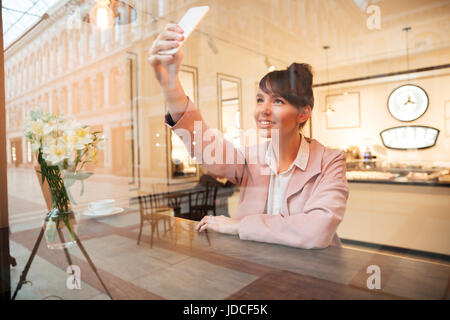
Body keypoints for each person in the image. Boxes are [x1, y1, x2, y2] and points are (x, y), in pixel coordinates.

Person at [148, 23, 349, 249]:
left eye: (278, 101)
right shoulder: (250, 158)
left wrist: (237, 226)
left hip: (312, 275)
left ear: (303, 113)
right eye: (260, 99)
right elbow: (206, 146)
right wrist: (170, 83)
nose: (263, 110)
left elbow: (316, 232)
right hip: (256, 269)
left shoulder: (330, 161)